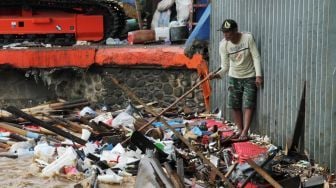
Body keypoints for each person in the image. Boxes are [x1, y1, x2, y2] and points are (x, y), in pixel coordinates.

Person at [212, 19, 262, 141]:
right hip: (234, 77)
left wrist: (258, 75)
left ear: (235, 30)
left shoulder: (248, 38)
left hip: (249, 76)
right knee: (234, 105)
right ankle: (239, 130)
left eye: (228, 32)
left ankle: (245, 132)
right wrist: (216, 75)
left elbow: (256, 56)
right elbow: (225, 66)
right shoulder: (223, 45)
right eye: (224, 32)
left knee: (248, 104)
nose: (226, 35)